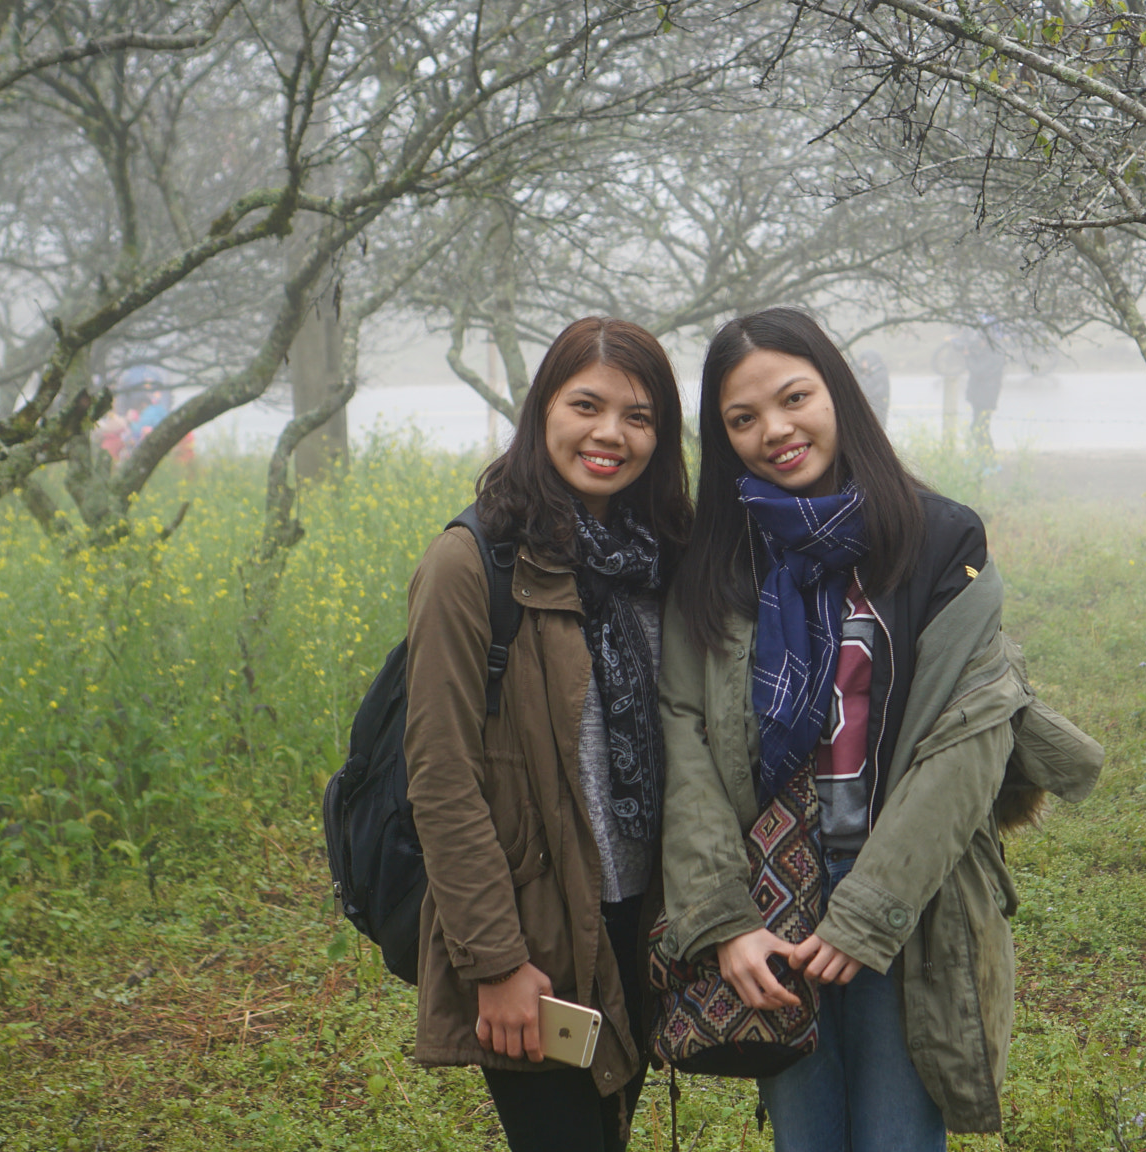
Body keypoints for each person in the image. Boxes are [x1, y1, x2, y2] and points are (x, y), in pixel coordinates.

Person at [657, 308, 1043, 1151]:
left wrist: (869, 912)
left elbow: (969, 741)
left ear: (840, 392)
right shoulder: (719, 564)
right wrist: (724, 920)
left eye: (795, 397)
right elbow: (683, 737)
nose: (777, 431)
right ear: (723, 441)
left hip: (910, 897)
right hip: (772, 905)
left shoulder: (940, 539)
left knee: (900, 1136)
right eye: (743, 419)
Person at [403, 317, 691, 1152]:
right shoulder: (471, 564)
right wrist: (493, 963)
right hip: (536, 934)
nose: (611, 434)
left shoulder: (660, 558)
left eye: (639, 417)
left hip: (637, 921)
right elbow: (442, 777)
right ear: (542, 412)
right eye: (586, 405)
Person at [959, 323, 1006, 457]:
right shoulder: (990, 351)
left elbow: (978, 370)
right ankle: (982, 456)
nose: (979, 343)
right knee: (977, 428)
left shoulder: (994, 355)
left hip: (985, 398)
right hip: (980, 397)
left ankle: (989, 458)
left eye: (980, 340)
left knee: (981, 429)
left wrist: (968, 356)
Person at [854, 349, 891, 426]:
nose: (862, 364)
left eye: (864, 361)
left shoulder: (880, 375)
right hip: (872, 416)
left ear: (870, 360)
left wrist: (859, 375)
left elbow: (865, 391)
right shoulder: (875, 374)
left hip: (876, 417)